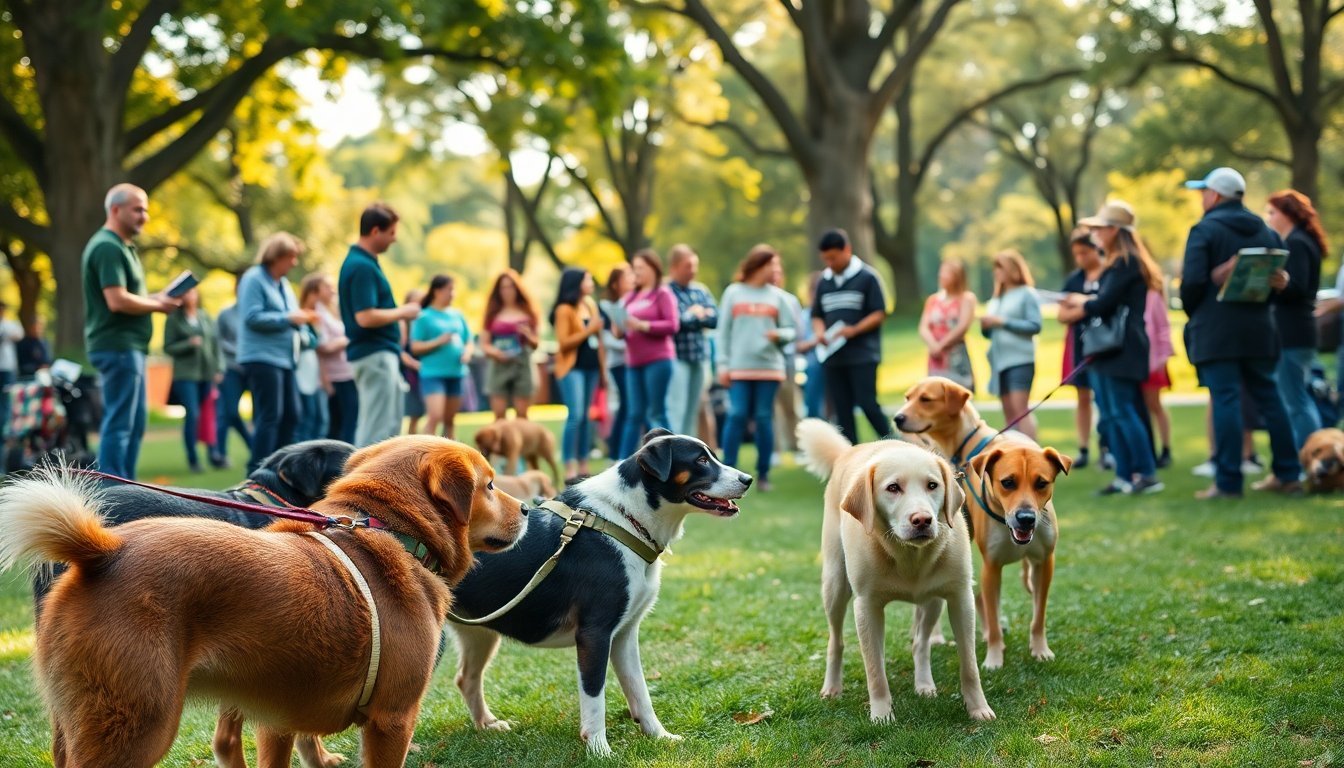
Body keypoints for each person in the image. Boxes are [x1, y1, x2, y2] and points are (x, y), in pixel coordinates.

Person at [1179, 167, 1301, 498]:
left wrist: (1199, 311)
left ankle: (1228, 482)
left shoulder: (1204, 230)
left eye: (1204, 191)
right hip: (1260, 331)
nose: (1202, 198)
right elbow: (1278, 281)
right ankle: (1289, 474)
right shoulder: (1266, 231)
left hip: (1218, 333)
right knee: (1272, 400)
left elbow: (1191, 284)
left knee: (1226, 402)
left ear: (1215, 195)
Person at [1062, 201, 1163, 495]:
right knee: (1109, 412)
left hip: (1121, 349)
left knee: (1122, 411)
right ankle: (1123, 476)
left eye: (1099, 228)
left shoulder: (1126, 262)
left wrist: (1080, 301)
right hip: (1107, 350)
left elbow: (1103, 303)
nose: (1094, 233)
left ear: (1114, 231)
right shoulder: (1117, 262)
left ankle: (1145, 473)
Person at [82, 183, 180, 479]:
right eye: (138, 209)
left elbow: (126, 295)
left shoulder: (123, 247)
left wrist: (157, 298)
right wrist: (157, 305)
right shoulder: (107, 246)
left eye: (146, 209)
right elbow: (117, 300)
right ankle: (112, 492)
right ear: (115, 210)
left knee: (134, 423)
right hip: (118, 347)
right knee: (120, 423)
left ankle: (126, 486)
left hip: (129, 348)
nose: (144, 216)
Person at [339, 202, 420, 447]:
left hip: (381, 354)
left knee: (389, 427)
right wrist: (403, 312)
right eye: (391, 232)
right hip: (374, 354)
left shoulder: (365, 262)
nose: (394, 239)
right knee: (377, 428)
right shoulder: (361, 266)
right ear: (375, 231)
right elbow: (364, 317)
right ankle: (363, 485)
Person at [717, 245, 796, 491]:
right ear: (758, 266)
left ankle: (763, 475)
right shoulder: (733, 293)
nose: (775, 270)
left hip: (770, 369)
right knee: (737, 414)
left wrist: (779, 335)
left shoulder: (778, 296)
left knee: (763, 417)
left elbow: (791, 331)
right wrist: (722, 364)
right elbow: (723, 332)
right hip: (739, 368)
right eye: (771, 265)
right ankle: (726, 470)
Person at [238, 232, 314, 474]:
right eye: (290, 257)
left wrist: (303, 327)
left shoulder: (283, 285)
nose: (294, 262)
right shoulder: (254, 279)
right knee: (270, 415)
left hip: (284, 359)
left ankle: (279, 469)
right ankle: (257, 472)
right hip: (262, 357)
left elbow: (292, 320)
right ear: (276, 256)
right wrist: (289, 318)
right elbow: (252, 317)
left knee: (292, 414)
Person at [811, 229, 890, 444]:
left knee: (867, 403)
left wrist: (854, 330)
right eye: (826, 259)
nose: (830, 263)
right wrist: (820, 332)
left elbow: (879, 312)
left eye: (833, 257)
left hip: (863, 354)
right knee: (841, 409)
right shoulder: (824, 282)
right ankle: (851, 456)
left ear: (847, 250)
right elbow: (817, 314)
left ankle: (893, 442)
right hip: (833, 357)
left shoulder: (867, 277)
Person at [1265, 189, 1326, 449]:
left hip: (1293, 331)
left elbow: (1298, 288)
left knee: (1296, 402)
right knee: (1298, 399)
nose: (1268, 218)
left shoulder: (1298, 242)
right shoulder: (1302, 240)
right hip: (1299, 330)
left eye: (1272, 212)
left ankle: (1311, 459)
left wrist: (1280, 283)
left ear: (1287, 214)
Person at [619, 248, 680, 458]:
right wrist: (619, 327)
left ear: (653, 268)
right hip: (633, 363)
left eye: (640, 268)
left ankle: (671, 457)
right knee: (634, 414)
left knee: (656, 412)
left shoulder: (663, 293)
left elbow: (672, 325)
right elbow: (621, 330)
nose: (636, 273)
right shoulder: (630, 297)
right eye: (634, 268)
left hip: (658, 360)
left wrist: (643, 325)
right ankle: (621, 463)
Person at [550, 267, 606, 481]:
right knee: (575, 416)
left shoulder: (590, 304)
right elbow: (563, 343)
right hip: (572, 369)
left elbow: (599, 341)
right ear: (576, 283)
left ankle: (583, 464)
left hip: (591, 368)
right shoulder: (564, 309)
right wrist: (588, 330)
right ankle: (569, 465)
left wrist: (603, 371)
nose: (591, 282)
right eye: (588, 279)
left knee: (586, 417)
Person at [981, 250, 1041, 440]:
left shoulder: (1026, 294)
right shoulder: (997, 297)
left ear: (1013, 269)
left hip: (1020, 360)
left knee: (1021, 410)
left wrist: (1002, 321)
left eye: (1001, 267)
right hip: (999, 362)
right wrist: (986, 326)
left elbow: (1034, 325)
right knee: (1008, 413)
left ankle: (1034, 452)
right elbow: (989, 334)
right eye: (995, 268)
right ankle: (1015, 454)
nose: (997, 272)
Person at [1060, 231, 1106, 469]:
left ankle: (1107, 448)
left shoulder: (1109, 274)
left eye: (1084, 253)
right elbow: (1062, 314)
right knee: (1083, 397)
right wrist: (1089, 307)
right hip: (1081, 345)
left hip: (1106, 345)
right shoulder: (1074, 280)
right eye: (1076, 254)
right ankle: (1084, 447)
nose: (1080, 258)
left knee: (1105, 398)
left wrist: (1086, 304)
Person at [163, 288, 223, 472]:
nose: (190, 296)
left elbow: (215, 344)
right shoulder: (174, 318)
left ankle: (214, 454)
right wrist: (188, 344)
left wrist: (218, 368)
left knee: (208, 414)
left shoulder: (205, 316)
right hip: (185, 375)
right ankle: (193, 459)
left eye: (193, 292)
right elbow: (168, 347)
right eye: (186, 293)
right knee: (193, 415)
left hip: (206, 373)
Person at [411, 275, 473, 440]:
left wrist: (467, 353)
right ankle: (424, 456)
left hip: (456, 373)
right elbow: (415, 346)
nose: (453, 294)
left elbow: (469, 340)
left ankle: (449, 460)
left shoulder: (457, 315)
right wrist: (438, 341)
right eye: (449, 289)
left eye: (454, 290)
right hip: (433, 374)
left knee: (450, 420)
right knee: (435, 416)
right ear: (437, 291)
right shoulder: (424, 316)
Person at [666, 244, 718, 436]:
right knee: (677, 408)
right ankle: (672, 449)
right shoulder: (667, 292)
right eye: (688, 266)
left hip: (699, 357)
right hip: (678, 358)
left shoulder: (701, 290)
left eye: (695, 266)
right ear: (674, 267)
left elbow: (714, 319)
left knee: (693, 410)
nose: (693, 271)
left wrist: (693, 315)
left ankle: (686, 450)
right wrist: (696, 314)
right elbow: (677, 323)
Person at [480, 269, 540, 421]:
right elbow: (484, 345)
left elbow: (536, 344)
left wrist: (528, 335)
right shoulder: (492, 314)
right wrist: (495, 353)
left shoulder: (528, 312)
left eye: (511, 286)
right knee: (499, 415)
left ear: (517, 288)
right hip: (498, 364)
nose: (507, 291)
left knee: (522, 416)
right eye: (503, 287)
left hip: (522, 364)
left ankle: (522, 444)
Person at [307, 273, 357, 444]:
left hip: (345, 372)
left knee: (342, 420)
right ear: (316, 290)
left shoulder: (332, 311)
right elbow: (323, 347)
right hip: (335, 375)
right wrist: (349, 338)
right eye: (327, 286)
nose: (332, 290)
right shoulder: (317, 314)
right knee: (342, 421)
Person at [918, 259, 977, 391]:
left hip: (955, 356)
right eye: (941, 272)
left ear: (957, 276)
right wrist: (933, 346)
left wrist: (942, 345)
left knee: (958, 392)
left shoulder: (966, 298)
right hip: (935, 357)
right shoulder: (933, 300)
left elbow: (962, 326)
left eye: (946, 272)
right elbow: (923, 327)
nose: (941, 275)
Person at [214, 280, 252, 468]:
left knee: (262, 414)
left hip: (253, 368)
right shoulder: (225, 314)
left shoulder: (253, 313)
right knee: (228, 412)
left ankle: (257, 450)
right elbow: (217, 342)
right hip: (231, 369)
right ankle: (219, 454)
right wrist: (219, 368)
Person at [771, 265, 806, 458]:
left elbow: (798, 331)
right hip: (766, 362)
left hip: (787, 359)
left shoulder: (789, 300)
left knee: (791, 404)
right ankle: (774, 449)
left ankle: (796, 446)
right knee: (769, 408)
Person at [599, 265, 632, 459]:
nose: (632, 280)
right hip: (619, 364)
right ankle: (615, 451)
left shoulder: (633, 302)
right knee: (626, 406)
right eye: (627, 277)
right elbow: (607, 339)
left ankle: (621, 450)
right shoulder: (607, 307)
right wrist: (633, 343)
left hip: (634, 362)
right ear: (615, 283)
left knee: (630, 407)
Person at [1141, 279, 1175, 469]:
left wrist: (1162, 357)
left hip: (1153, 361)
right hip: (1137, 363)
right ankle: (1149, 449)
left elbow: (1163, 328)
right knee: (1141, 409)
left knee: (1155, 405)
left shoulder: (1153, 296)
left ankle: (1166, 447)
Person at [294, 275, 329, 442]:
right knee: (307, 419)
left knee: (319, 419)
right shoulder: (300, 317)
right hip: (303, 372)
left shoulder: (317, 318)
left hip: (314, 374)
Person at [400, 287, 427, 434]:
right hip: (412, 374)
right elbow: (401, 351)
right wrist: (414, 364)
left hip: (428, 371)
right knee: (415, 413)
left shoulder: (427, 321)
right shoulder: (404, 323)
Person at [0, 301, 22, 442]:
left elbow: (19, 334)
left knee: (8, 400)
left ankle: (5, 430)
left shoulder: (9, 324)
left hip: (8, 368)